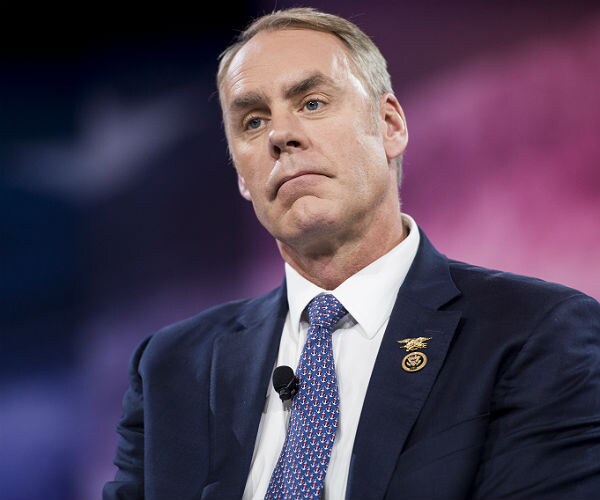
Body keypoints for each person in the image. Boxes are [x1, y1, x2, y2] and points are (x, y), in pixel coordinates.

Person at [103, 7, 600, 500]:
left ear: (390, 125)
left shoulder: (536, 332)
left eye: (312, 103)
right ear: (241, 176)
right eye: (253, 121)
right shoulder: (171, 366)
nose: (280, 135)